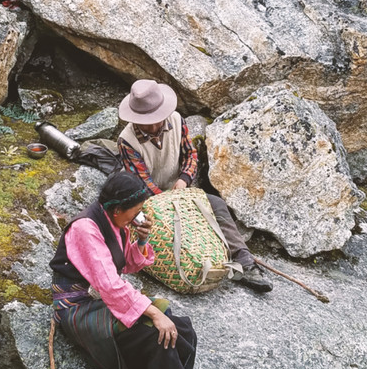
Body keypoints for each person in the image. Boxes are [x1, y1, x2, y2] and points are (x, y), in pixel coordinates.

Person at [49, 170, 232, 369]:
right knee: (153, 335)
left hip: (100, 299)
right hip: (78, 306)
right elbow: (110, 285)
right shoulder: (86, 229)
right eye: (134, 213)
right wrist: (152, 313)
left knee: (179, 327)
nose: (138, 217)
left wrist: (141, 241)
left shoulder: (115, 221)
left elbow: (126, 265)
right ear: (117, 208)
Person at [117, 79, 273, 293]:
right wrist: (171, 204)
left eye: (157, 120)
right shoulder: (127, 140)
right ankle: (191, 266)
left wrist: (183, 180)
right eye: (147, 122)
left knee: (216, 205)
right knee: (154, 229)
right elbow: (141, 182)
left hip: (181, 189)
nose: (154, 126)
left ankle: (245, 262)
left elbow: (190, 154)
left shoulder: (176, 120)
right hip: (148, 200)